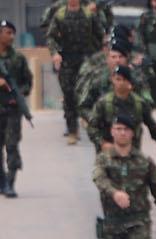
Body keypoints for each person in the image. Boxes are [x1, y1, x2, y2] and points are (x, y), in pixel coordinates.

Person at [46, 0, 105, 144]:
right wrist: (54, 53)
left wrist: (101, 55)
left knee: (88, 93)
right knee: (69, 95)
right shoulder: (59, 15)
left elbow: (100, 34)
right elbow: (51, 36)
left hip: (86, 60)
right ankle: (72, 130)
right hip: (67, 60)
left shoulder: (88, 14)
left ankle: (90, 121)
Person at [87, 66, 156, 157]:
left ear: (130, 83)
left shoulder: (139, 104)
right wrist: (102, 143)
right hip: (108, 155)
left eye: (123, 80)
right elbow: (92, 127)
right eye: (117, 79)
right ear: (113, 81)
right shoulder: (103, 103)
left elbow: (152, 126)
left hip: (132, 155)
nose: (120, 83)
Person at [0, 19, 29, 197]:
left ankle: (10, 183)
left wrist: (16, 96)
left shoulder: (18, 59)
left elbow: (27, 83)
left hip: (12, 111)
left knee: (11, 146)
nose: (10, 36)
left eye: (12, 33)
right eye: (6, 32)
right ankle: (1, 181)